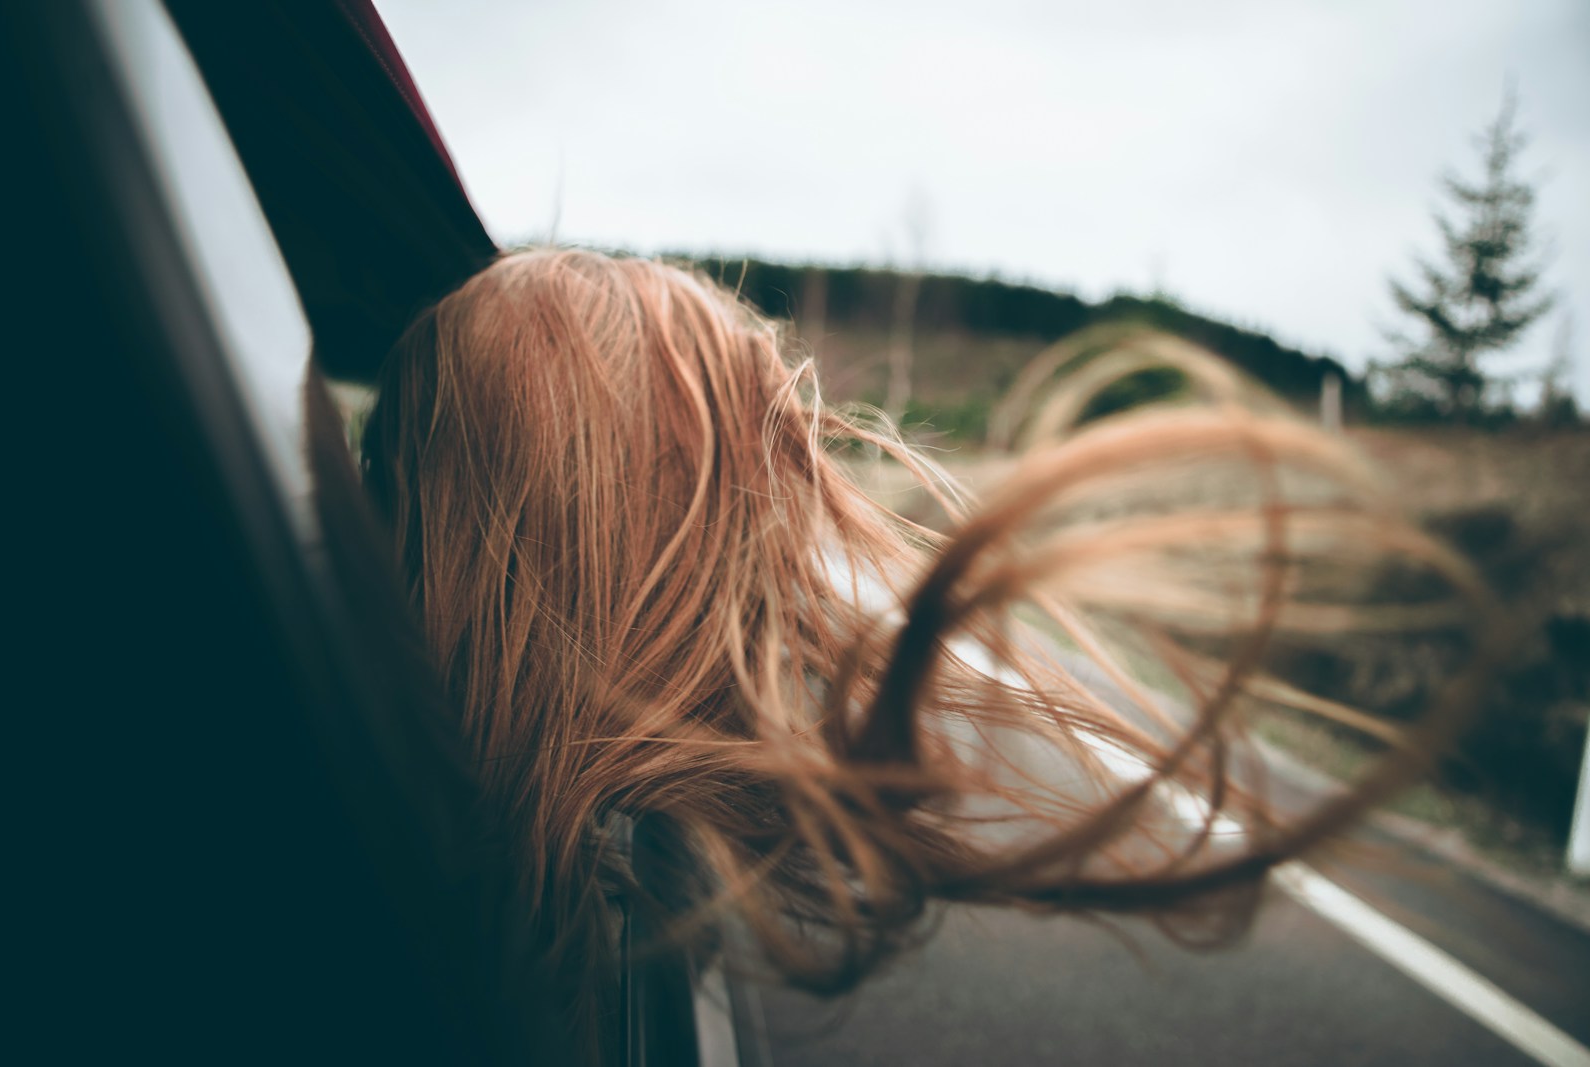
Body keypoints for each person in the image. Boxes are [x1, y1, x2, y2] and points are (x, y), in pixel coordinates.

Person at [360, 247, 1489, 1062]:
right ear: (623, 545)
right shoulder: (562, 938)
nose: (777, 564)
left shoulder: (374, 834)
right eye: (734, 509)